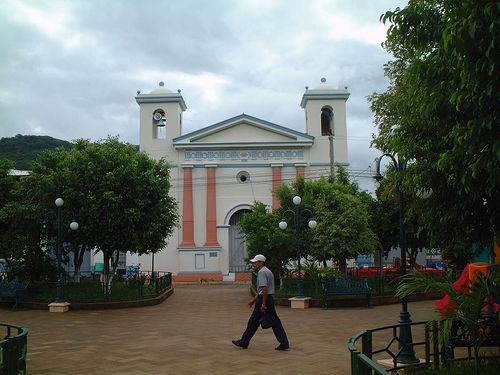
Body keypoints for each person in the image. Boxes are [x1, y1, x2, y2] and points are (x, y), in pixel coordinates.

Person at [232, 254, 290, 350]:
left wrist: (263, 303)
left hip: (265, 299)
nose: (254, 264)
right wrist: (253, 300)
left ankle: (244, 341)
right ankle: (284, 342)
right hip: (268, 298)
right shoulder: (268, 271)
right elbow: (262, 290)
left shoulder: (262, 273)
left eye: (255, 262)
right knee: (273, 321)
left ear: (261, 262)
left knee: (254, 321)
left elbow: (264, 289)